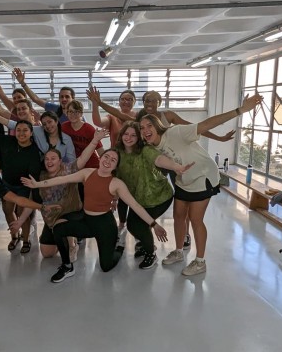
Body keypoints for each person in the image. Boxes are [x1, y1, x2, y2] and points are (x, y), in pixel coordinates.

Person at [89, 86, 235, 250]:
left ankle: (185, 234)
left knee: (184, 200)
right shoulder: (142, 119)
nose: (149, 103)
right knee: (150, 191)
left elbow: (193, 126)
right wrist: (99, 103)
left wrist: (219, 138)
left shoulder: (168, 116)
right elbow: (120, 115)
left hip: (173, 162)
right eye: (146, 100)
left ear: (159, 102)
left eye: (153, 100)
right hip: (156, 160)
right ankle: (141, 231)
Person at [140, 93, 264, 276]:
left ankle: (200, 262)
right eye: (142, 128)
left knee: (196, 219)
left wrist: (241, 110)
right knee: (179, 216)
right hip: (184, 179)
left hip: (203, 177)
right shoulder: (151, 147)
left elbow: (207, 124)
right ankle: (179, 251)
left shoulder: (176, 132)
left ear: (157, 126)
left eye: (149, 125)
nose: (145, 130)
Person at [22, 149, 168, 283]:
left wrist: (154, 225)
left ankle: (119, 248)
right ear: (100, 157)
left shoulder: (116, 184)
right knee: (58, 228)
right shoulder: (87, 173)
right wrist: (37, 185)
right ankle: (67, 266)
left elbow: (135, 206)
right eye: (106, 156)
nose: (108, 161)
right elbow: (62, 179)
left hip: (104, 225)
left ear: (115, 166)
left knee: (106, 266)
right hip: (86, 221)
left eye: (113, 160)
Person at [11, 129, 107, 261]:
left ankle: (72, 242)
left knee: (63, 229)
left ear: (60, 161)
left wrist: (95, 140)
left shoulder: (69, 169)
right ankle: (59, 239)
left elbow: (84, 157)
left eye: (53, 158)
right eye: (47, 159)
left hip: (70, 215)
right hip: (51, 218)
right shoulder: (40, 177)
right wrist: (20, 221)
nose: (49, 161)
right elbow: (32, 200)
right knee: (47, 253)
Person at [115, 121, 193, 269]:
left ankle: (151, 253)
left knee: (139, 225)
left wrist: (175, 166)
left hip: (158, 197)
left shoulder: (145, 150)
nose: (129, 138)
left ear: (139, 138)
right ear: (121, 135)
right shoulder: (118, 152)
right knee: (134, 226)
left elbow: (159, 159)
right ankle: (147, 246)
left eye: (133, 135)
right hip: (138, 200)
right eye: (126, 134)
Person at [0, 119, 43, 254]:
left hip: (24, 187)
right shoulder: (6, 141)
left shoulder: (34, 151)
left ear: (31, 133)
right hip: (7, 184)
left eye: (25, 130)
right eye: (18, 130)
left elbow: (34, 174)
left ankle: (26, 240)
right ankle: (14, 236)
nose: (21, 133)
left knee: (22, 214)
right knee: (7, 210)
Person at [88, 88, 137, 235]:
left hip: (135, 161)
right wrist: (95, 104)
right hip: (118, 161)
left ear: (134, 102)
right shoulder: (111, 117)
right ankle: (122, 223)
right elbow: (98, 121)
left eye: (130, 99)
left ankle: (137, 225)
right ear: (119, 101)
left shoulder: (138, 117)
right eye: (123, 99)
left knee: (135, 194)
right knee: (120, 193)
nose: (126, 101)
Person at [0, 108, 76, 163]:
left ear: (56, 121)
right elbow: (15, 125)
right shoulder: (39, 130)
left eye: (50, 122)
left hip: (58, 173)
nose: (48, 126)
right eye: (44, 124)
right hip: (40, 171)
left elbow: (72, 161)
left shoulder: (67, 139)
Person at [61, 99, 104, 168]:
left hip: (91, 165)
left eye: (76, 112)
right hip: (74, 164)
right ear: (67, 113)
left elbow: (100, 151)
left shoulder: (89, 129)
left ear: (81, 113)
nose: (73, 115)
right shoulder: (64, 127)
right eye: (70, 112)